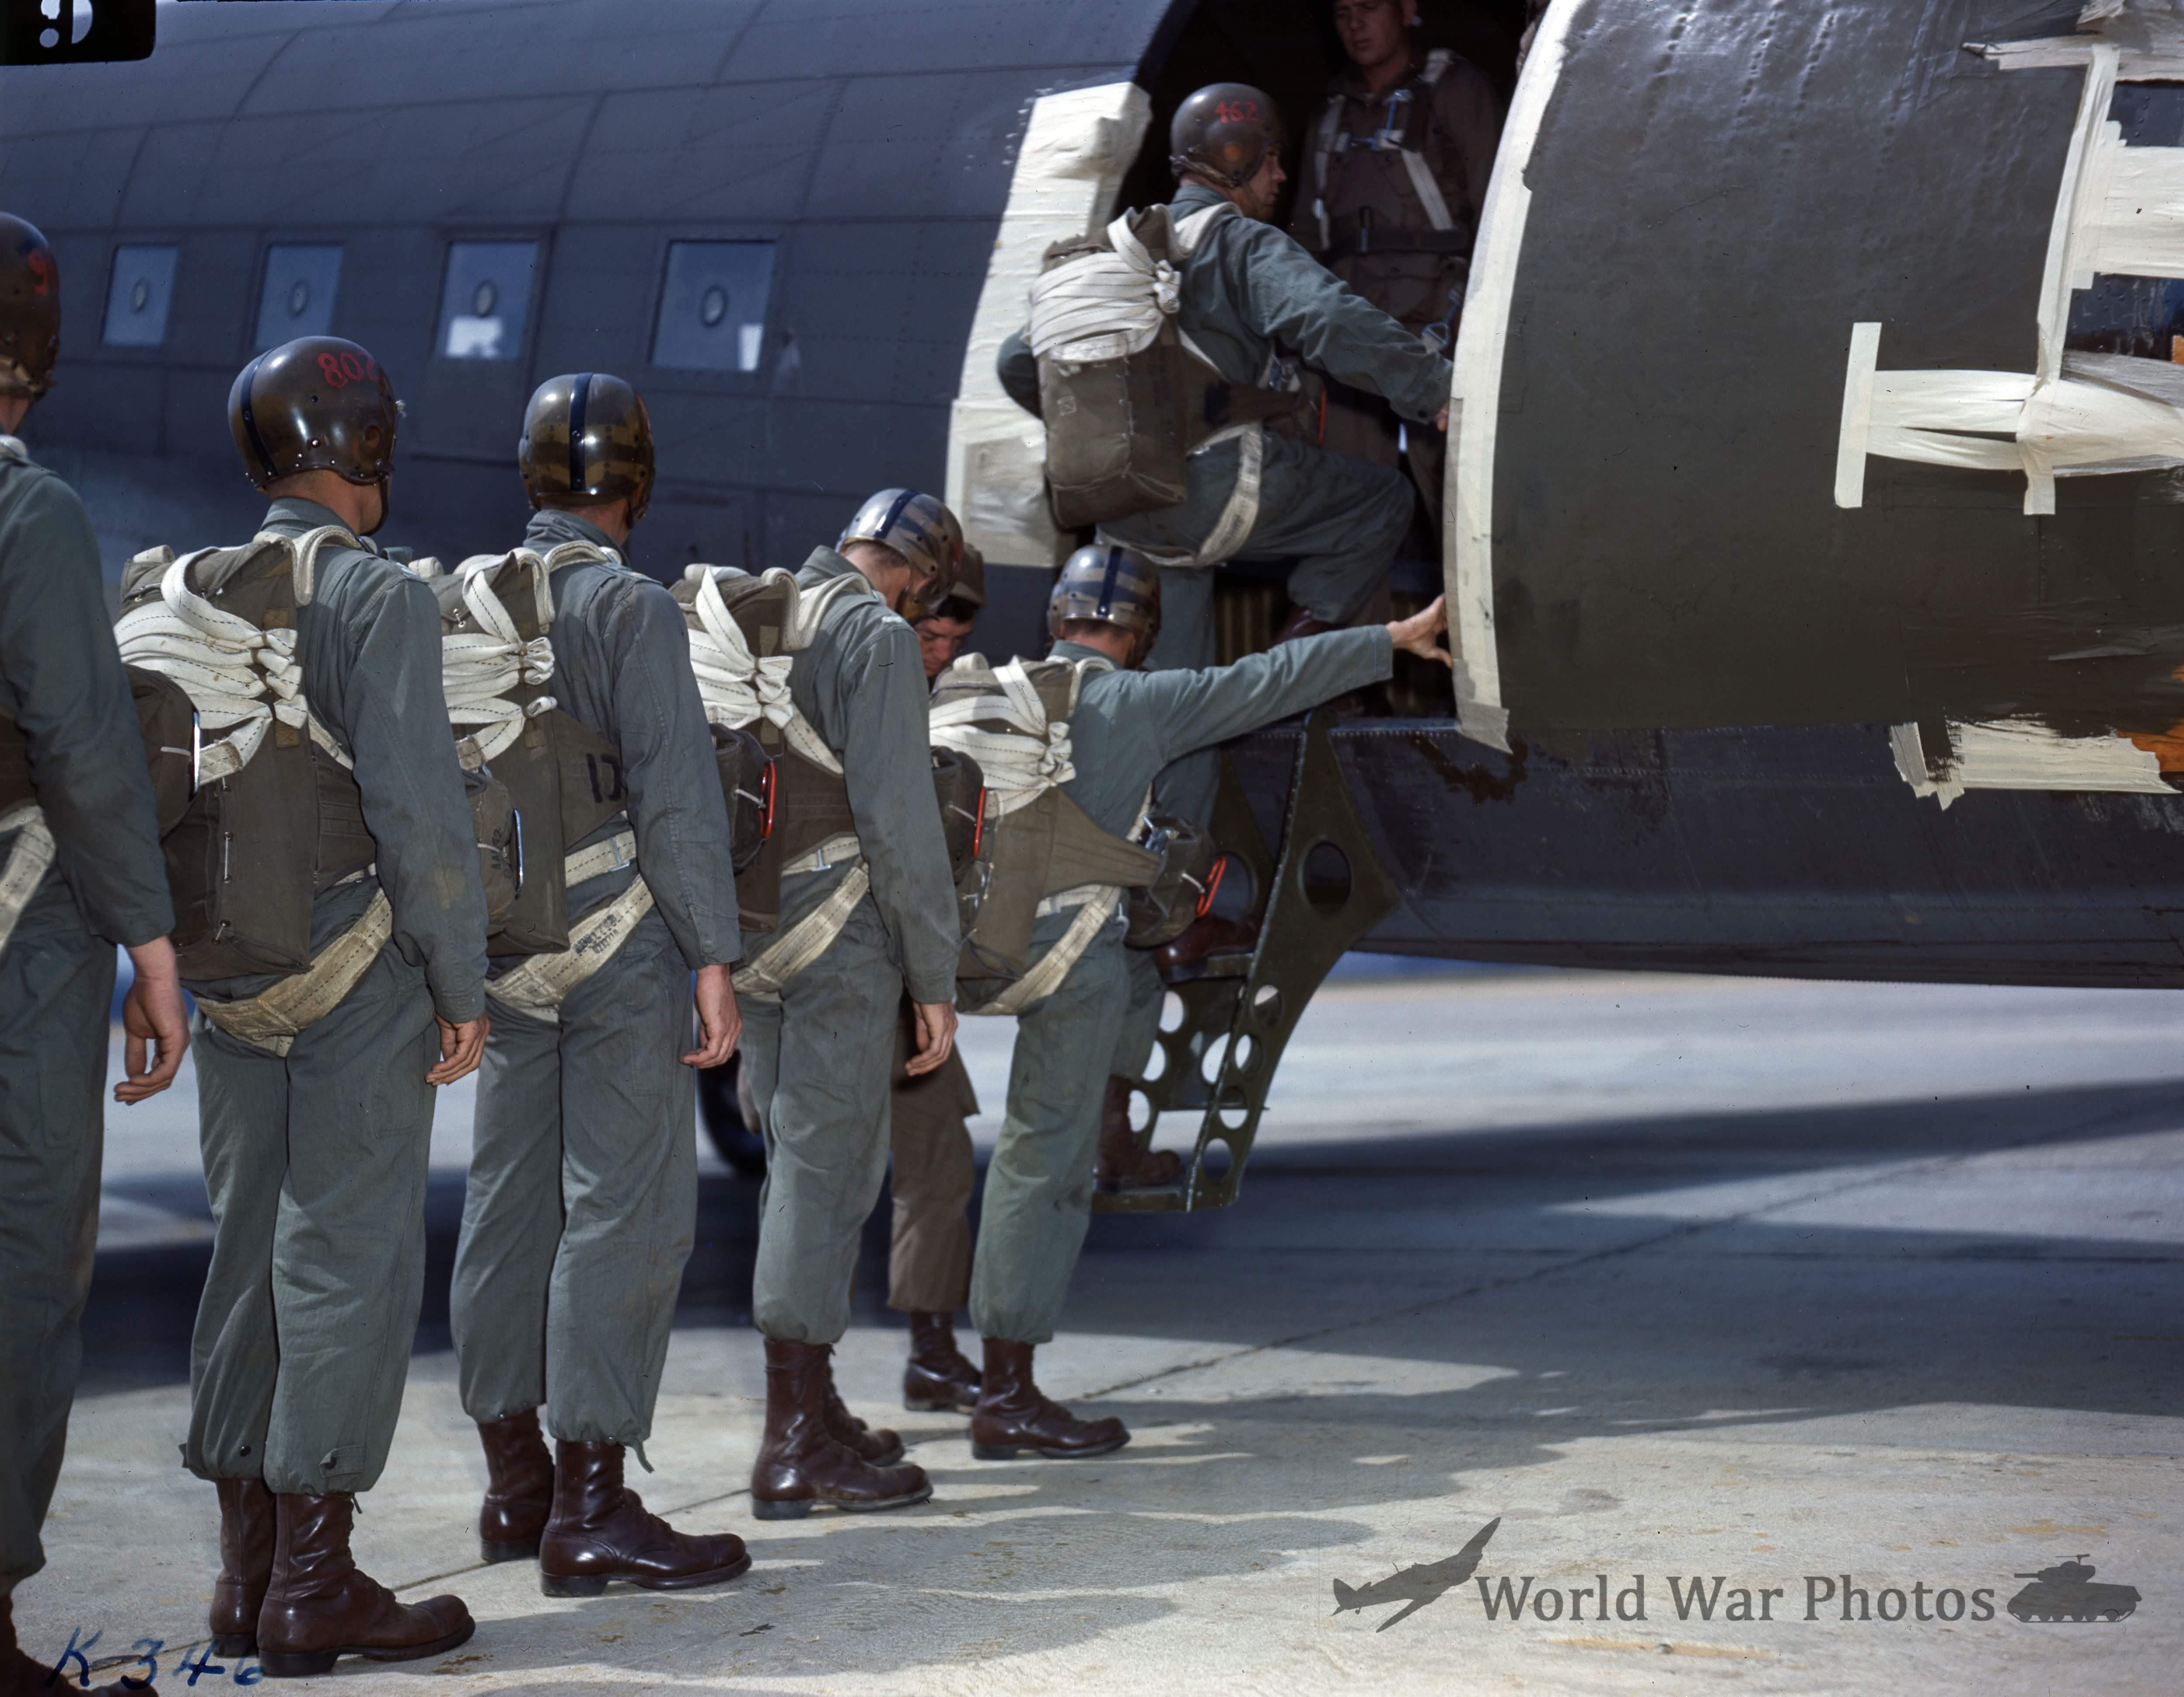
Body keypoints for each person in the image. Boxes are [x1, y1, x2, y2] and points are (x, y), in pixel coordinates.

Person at [956, 543, 1451, 1461]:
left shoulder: (973, 688)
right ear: (1139, 634)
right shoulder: (1136, 699)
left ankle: (1108, 1140)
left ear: (1056, 619)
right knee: (1038, 1167)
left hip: (958, 955)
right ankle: (1007, 1391)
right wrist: (1392, 638)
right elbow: (1274, 676)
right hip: (1068, 963)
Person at [171, 338, 491, 1679]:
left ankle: (244, 1575)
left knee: (244, 1253)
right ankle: (315, 1581)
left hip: (225, 968)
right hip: (357, 968)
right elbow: (420, 813)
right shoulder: (373, 596)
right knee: (345, 1260)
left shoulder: (185, 584)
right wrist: (459, 981)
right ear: (363, 448)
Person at [447, 374, 749, 1597]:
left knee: (509, 1204)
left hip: (505, 947)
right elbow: (677, 793)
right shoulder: (626, 605)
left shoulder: (459, 596)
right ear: (635, 483)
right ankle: (592, 1505)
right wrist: (714, 957)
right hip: (620, 941)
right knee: (623, 1212)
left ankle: (513, 1480)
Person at [0, 213, 190, 1697]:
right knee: (22, 1254)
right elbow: (82, 739)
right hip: (22, 942)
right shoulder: (30, 514)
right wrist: (152, 943)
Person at [740, 489, 963, 1518]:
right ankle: (793, 1445)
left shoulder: (761, 612)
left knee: (794, 1168)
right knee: (826, 1180)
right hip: (836, 939)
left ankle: (814, 1404)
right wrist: (934, 979)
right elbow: (902, 828)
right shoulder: (873, 637)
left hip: (748, 937)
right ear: (913, 573)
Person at [1289, 0, 1503, 530]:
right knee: (1347, 512)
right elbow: (1304, 242)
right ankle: (1360, 618)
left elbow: (1500, 212)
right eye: (1340, 13)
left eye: (1368, 7)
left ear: (1406, 9)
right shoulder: (1331, 114)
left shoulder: (1454, 89)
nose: (1354, 24)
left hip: (1439, 329)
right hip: (1349, 338)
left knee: (1463, 511)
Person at [889, 542, 988, 1414]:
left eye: (951, 639)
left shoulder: (933, 698)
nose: (941, 653)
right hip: (867, 977)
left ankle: (930, 1350)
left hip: (889, 979)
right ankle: (802, 1407)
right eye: (928, 633)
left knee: (938, 1163)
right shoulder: (863, 687)